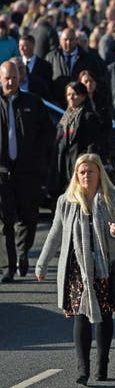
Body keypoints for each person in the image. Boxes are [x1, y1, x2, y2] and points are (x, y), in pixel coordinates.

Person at [36, 153, 115, 385]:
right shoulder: (66, 201)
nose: (86, 176)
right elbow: (54, 234)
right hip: (77, 270)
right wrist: (42, 264)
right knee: (80, 317)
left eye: (91, 171)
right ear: (76, 175)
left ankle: (102, 363)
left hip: (106, 268)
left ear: (99, 173)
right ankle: (83, 369)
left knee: (104, 318)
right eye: (81, 172)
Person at [0, 61, 52, 282]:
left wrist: (38, 161)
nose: (10, 81)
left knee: (28, 218)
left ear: (20, 78)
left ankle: (22, 253)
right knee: (4, 222)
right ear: (0, 79)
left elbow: (47, 133)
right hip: (2, 172)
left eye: (14, 77)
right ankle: (7, 267)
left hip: (27, 172)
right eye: (6, 78)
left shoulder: (32, 102)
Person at [48, 82, 104, 199]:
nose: (71, 97)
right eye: (68, 95)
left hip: (78, 164)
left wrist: (87, 166)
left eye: (75, 94)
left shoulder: (88, 116)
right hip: (63, 165)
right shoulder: (65, 117)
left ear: (83, 96)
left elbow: (91, 145)